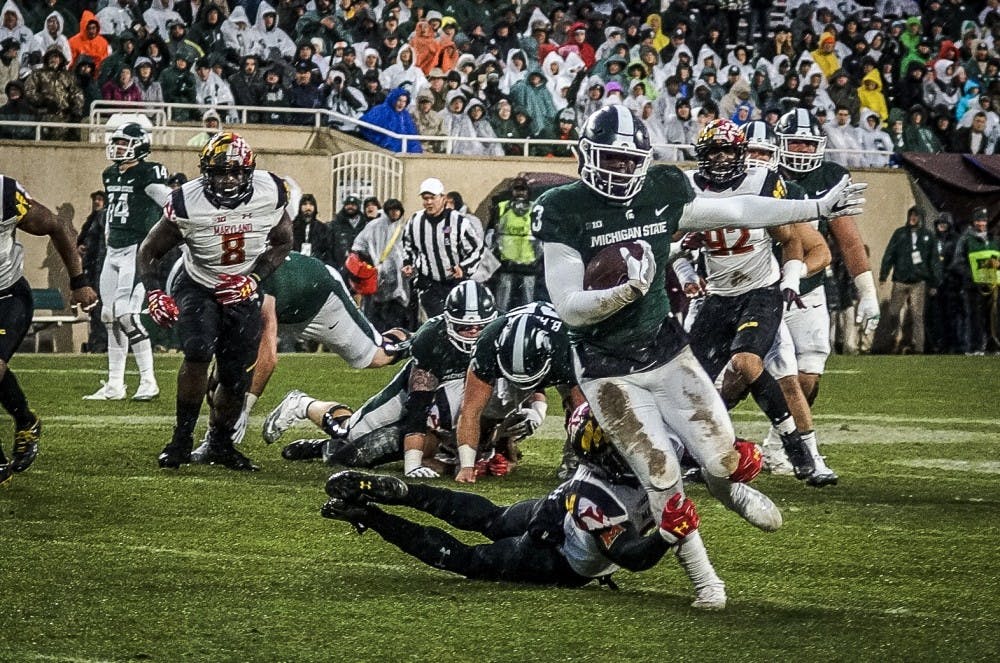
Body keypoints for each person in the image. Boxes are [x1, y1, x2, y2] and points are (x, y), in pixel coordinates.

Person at [532, 105, 864, 608]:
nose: (622, 170)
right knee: (660, 471)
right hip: (606, 368)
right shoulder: (562, 207)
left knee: (720, 456)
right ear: (587, 155)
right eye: (612, 160)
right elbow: (570, 308)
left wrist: (816, 207)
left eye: (629, 160)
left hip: (665, 350)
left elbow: (737, 211)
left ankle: (732, 490)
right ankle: (707, 579)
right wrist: (625, 292)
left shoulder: (660, 190)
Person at [319, 403, 704, 591]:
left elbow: (694, 440)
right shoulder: (601, 492)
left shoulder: (622, 458)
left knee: (492, 518)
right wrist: (666, 535)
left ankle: (404, 494)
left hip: (558, 508)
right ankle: (372, 515)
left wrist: (733, 458)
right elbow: (629, 556)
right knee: (472, 559)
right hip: (561, 555)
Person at [137, 132, 293, 471]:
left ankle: (220, 444)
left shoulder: (271, 191)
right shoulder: (188, 201)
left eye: (236, 172)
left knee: (236, 374)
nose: (228, 179)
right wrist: (154, 292)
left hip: (242, 286)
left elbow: (283, 243)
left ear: (249, 171)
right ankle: (180, 441)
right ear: (205, 172)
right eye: (220, 172)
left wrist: (251, 280)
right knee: (197, 352)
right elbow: (150, 251)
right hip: (198, 282)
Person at [678, 119, 823, 482]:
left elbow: (790, 240)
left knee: (746, 360)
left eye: (729, 150)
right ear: (702, 156)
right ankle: (693, 452)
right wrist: (686, 271)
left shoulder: (760, 183)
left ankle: (793, 441)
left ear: (741, 153)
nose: (723, 158)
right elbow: (669, 245)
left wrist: (790, 278)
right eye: (714, 151)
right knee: (692, 380)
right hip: (719, 296)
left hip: (760, 290)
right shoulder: (690, 188)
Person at [268, 281, 497, 478]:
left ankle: (328, 448)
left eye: (480, 326)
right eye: (465, 327)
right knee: (352, 433)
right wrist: (412, 465)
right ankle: (304, 405)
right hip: (415, 391)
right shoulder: (433, 339)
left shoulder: (502, 336)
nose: (474, 333)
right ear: (449, 321)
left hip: (455, 400)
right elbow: (418, 406)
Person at [760, 108, 879, 477]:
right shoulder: (762, 175)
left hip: (808, 287)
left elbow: (848, 240)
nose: (798, 150)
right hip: (760, 285)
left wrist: (868, 293)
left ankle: (777, 445)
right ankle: (697, 446)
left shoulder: (830, 178)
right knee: (734, 374)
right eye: (793, 142)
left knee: (808, 375)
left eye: (806, 143)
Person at [207, 250, 413, 447]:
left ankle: (418, 340)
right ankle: (214, 439)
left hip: (321, 300)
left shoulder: (259, 287)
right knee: (229, 361)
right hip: (286, 306)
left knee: (377, 356)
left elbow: (267, 358)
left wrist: (245, 406)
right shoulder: (207, 277)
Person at [0, 174, 98, 485]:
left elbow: (55, 226)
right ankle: (26, 421)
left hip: (6, 298)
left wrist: (79, 281)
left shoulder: (4, 196)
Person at [82, 124, 170, 401]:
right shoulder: (109, 174)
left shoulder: (148, 172)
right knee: (109, 316)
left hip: (137, 250)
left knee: (126, 315)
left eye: (123, 142)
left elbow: (171, 203)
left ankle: (148, 381)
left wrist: (159, 242)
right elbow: (111, 213)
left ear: (139, 144)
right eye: (116, 142)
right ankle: (115, 385)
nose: (118, 147)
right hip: (114, 250)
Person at [453, 301, 585, 482]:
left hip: (562, 352)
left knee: (583, 411)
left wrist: (538, 412)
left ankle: (578, 458)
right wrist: (466, 466)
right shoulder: (488, 343)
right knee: (489, 409)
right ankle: (484, 448)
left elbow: (585, 410)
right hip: (539, 356)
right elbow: (470, 411)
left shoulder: (568, 345)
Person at [401, 177, 485, 320]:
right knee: (435, 324)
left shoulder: (458, 221)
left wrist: (463, 268)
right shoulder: (415, 221)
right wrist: (408, 264)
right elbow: (408, 245)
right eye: (425, 198)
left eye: (432, 198)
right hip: (428, 283)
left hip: (453, 283)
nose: (428, 202)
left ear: (443, 198)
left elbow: (477, 249)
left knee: (455, 321)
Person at [879, 206, 940, 354]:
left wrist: (934, 282)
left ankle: (918, 347)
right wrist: (883, 275)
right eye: (911, 215)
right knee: (893, 312)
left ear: (921, 218)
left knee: (917, 315)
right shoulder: (900, 234)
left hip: (919, 282)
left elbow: (934, 261)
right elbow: (889, 254)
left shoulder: (928, 236)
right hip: (900, 280)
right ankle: (893, 342)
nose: (913, 218)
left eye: (916, 216)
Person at [351, 198, 412, 332]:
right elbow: (359, 246)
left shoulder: (405, 227)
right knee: (377, 315)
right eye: (392, 210)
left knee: (395, 315)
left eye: (397, 210)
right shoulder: (375, 226)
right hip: (378, 278)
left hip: (398, 278)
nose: (395, 214)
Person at [951, 207, 1000, 355]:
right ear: (973, 222)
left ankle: (992, 345)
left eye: (983, 220)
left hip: (992, 286)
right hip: (973, 286)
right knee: (974, 317)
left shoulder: (994, 239)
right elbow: (957, 263)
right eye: (979, 220)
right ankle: (974, 347)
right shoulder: (966, 239)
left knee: (992, 318)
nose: (981, 223)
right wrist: (972, 276)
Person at [489, 177, 539, 312]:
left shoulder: (536, 209)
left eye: (523, 190)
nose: (520, 193)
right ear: (512, 191)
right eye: (517, 190)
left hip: (529, 264)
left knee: (528, 303)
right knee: (502, 303)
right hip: (507, 264)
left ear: (528, 192)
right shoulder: (502, 207)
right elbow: (492, 232)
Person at [77, 190, 108, 354]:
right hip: (94, 270)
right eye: (95, 199)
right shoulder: (92, 219)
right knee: (96, 309)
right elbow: (83, 239)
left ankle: (100, 344)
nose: (96, 203)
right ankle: (97, 343)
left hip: (101, 270)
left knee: (100, 309)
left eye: (100, 199)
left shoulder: (103, 218)